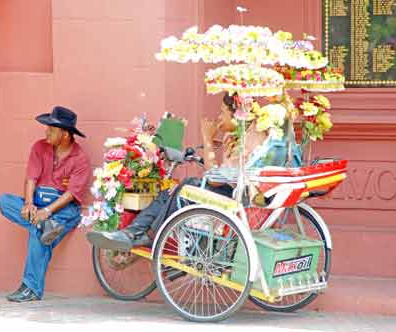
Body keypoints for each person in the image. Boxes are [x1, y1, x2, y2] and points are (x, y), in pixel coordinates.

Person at [86, 93, 270, 250]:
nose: (219, 117)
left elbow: (214, 179)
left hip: (237, 196)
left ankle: (147, 234)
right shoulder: (236, 136)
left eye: (222, 112)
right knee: (170, 191)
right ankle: (133, 232)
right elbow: (220, 174)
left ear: (237, 114)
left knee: (186, 185)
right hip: (230, 189)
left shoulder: (251, 138)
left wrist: (207, 139)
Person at [0, 106, 90, 302]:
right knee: (5, 202)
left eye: (51, 129)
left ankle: (31, 288)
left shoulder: (80, 158)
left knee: (39, 233)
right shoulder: (39, 147)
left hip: (63, 210)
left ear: (65, 134)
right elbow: (31, 177)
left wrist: (47, 212)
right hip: (38, 204)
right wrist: (29, 204)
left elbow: (72, 194)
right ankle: (44, 226)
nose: (46, 131)